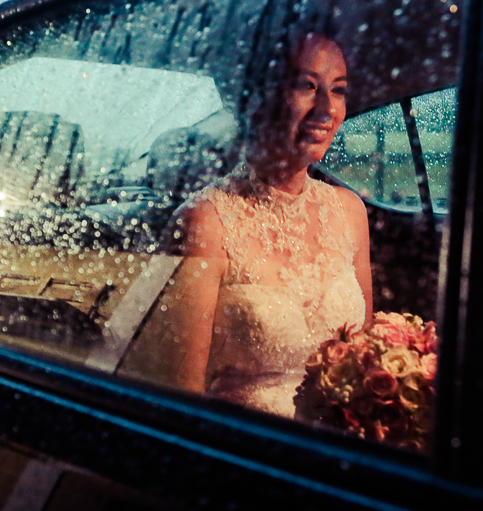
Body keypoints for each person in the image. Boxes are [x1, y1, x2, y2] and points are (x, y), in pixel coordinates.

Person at [159, 31, 373, 418]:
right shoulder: (206, 222)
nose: (327, 109)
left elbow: (365, 363)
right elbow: (181, 394)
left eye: (339, 90)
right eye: (307, 86)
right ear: (259, 97)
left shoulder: (350, 212)